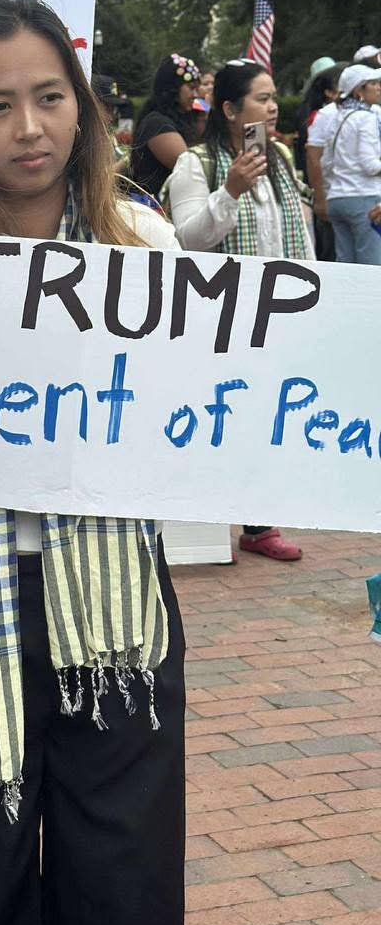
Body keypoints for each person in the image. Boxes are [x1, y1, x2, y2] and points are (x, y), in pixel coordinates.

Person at [0, 0, 187, 925]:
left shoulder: (143, 247)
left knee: (123, 871)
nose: (29, 127)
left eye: (50, 97)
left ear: (83, 106)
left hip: (113, 610)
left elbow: (187, 424)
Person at [164, 59, 311, 562]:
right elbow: (185, 240)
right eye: (262, 99)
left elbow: (297, 232)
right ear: (229, 110)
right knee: (227, 411)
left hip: (280, 310)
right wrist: (230, 192)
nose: (273, 108)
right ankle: (211, 517)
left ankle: (258, 523)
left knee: (266, 411)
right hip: (222, 318)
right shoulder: (197, 163)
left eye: (274, 98)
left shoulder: (281, 157)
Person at [322, 62, 381, 265]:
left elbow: (326, 162)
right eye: (373, 83)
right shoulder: (366, 118)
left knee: (345, 266)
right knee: (371, 267)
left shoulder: (337, 116)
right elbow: (370, 165)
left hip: (337, 199)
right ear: (359, 91)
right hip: (364, 199)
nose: (378, 87)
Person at [129, 52, 202, 199]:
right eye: (191, 88)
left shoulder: (183, 119)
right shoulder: (157, 124)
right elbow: (193, 172)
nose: (196, 95)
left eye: (197, 89)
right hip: (154, 208)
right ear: (173, 89)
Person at [302, 62, 345, 259]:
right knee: (332, 254)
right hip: (332, 197)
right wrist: (319, 198)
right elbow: (313, 157)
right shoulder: (324, 115)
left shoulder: (373, 112)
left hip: (361, 199)